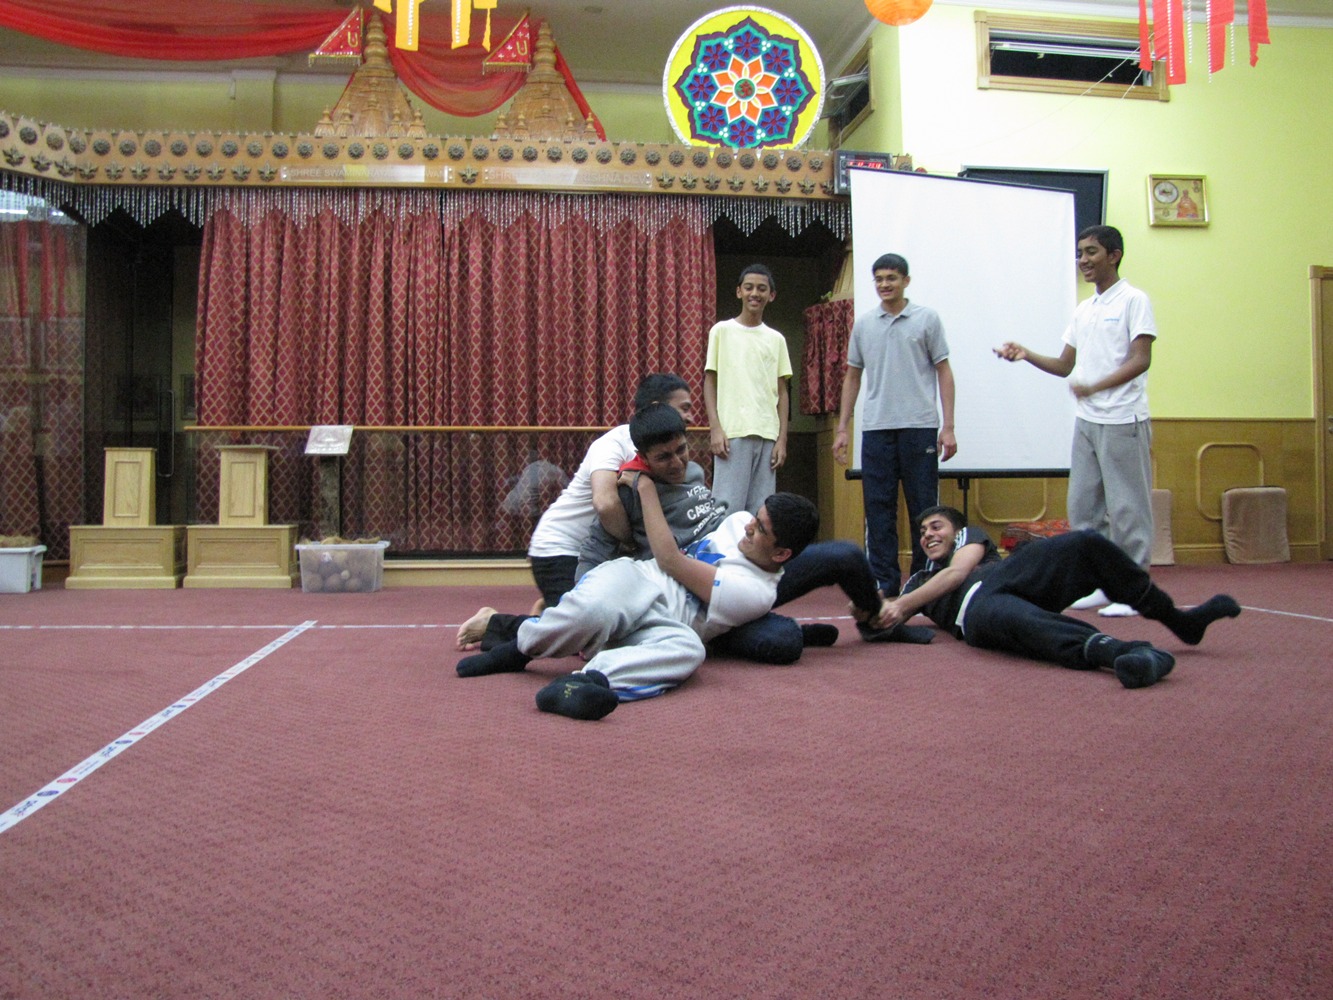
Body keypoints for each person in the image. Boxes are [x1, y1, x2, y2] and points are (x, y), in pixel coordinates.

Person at [455, 406, 820, 720]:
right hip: (637, 580)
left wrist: (645, 487)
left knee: (689, 652)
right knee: (595, 610)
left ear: (781, 554)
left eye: (760, 530)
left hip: (665, 622)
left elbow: (672, 560)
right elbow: (668, 536)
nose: (748, 525)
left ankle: (586, 682)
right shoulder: (739, 521)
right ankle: (519, 648)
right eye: (756, 516)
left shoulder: (756, 593)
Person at [875, 506, 1241, 689]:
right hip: (976, 614)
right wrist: (866, 601)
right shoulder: (918, 580)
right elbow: (877, 618)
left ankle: (1178, 620)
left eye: (935, 526)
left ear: (956, 530)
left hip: (1008, 574)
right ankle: (1121, 653)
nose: (927, 535)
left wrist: (902, 606)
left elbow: (957, 573)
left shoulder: (970, 537)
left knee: (1085, 543)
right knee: (1002, 613)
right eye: (922, 532)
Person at [995, 224, 1156, 617]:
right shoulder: (1085, 309)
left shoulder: (1134, 300)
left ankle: (1133, 589)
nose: (1083, 260)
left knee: (1127, 508)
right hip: (1087, 421)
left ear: (1114, 255)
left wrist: (1096, 386)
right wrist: (1027, 354)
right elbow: (1066, 365)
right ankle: (1101, 583)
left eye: (1091, 252)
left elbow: (1141, 360)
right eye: (1080, 253)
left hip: (1123, 418)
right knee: (1083, 507)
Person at [834, 252, 957, 599]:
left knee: (924, 509)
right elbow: (852, 377)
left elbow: (944, 372)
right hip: (876, 429)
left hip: (919, 427)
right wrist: (843, 427)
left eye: (891, 278)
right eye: (879, 279)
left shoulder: (927, 319)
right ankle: (884, 582)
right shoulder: (865, 324)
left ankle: (924, 578)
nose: (885, 285)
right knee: (879, 509)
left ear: (906, 281)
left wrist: (948, 427)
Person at [525, 372, 693, 612]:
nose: (691, 417)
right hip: (561, 549)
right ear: (657, 408)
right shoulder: (615, 442)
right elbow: (605, 503)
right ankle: (493, 623)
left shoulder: (672, 451)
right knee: (580, 629)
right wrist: (632, 545)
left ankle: (551, 605)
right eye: (684, 408)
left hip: (603, 553)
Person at [703, 263, 793, 515]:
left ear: (771, 295)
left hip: (767, 434)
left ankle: (754, 556)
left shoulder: (776, 339)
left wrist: (782, 439)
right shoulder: (721, 331)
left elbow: (782, 392)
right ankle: (721, 556)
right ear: (739, 292)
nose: (755, 293)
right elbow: (710, 381)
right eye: (749, 287)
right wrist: (716, 428)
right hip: (732, 433)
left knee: (761, 511)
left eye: (762, 289)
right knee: (726, 510)